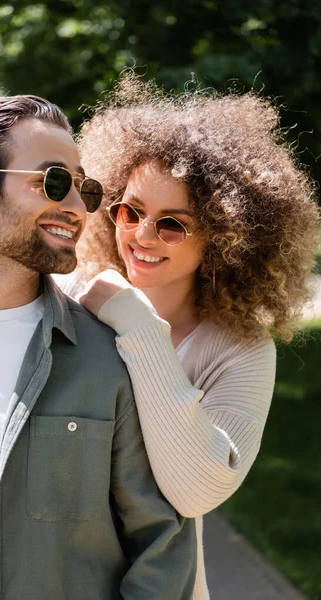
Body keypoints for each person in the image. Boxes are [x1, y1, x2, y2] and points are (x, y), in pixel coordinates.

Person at [0, 94, 197, 600]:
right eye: (53, 181)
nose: (77, 208)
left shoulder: (112, 358)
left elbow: (164, 544)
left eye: (83, 189)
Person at [56, 74, 319, 600]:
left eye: (172, 223)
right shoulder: (67, 299)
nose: (141, 236)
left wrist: (138, 325)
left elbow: (197, 489)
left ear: (226, 233)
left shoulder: (239, 350)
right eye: (130, 211)